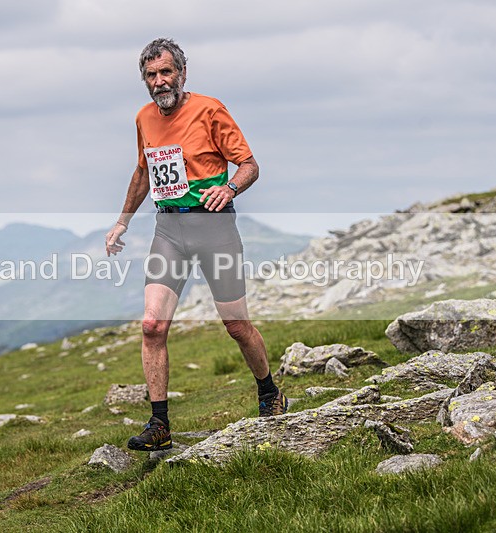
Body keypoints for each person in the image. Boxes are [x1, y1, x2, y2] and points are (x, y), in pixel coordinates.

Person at [105, 38, 287, 452]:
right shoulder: (144, 118)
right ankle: (160, 425)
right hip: (169, 230)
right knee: (152, 325)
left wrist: (230, 188)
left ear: (182, 73)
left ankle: (269, 392)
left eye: (166, 72)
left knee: (236, 325)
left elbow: (249, 165)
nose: (159, 81)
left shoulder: (209, 109)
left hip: (214, 228)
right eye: (151, 75)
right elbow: (142, 173)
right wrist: (122, 221)